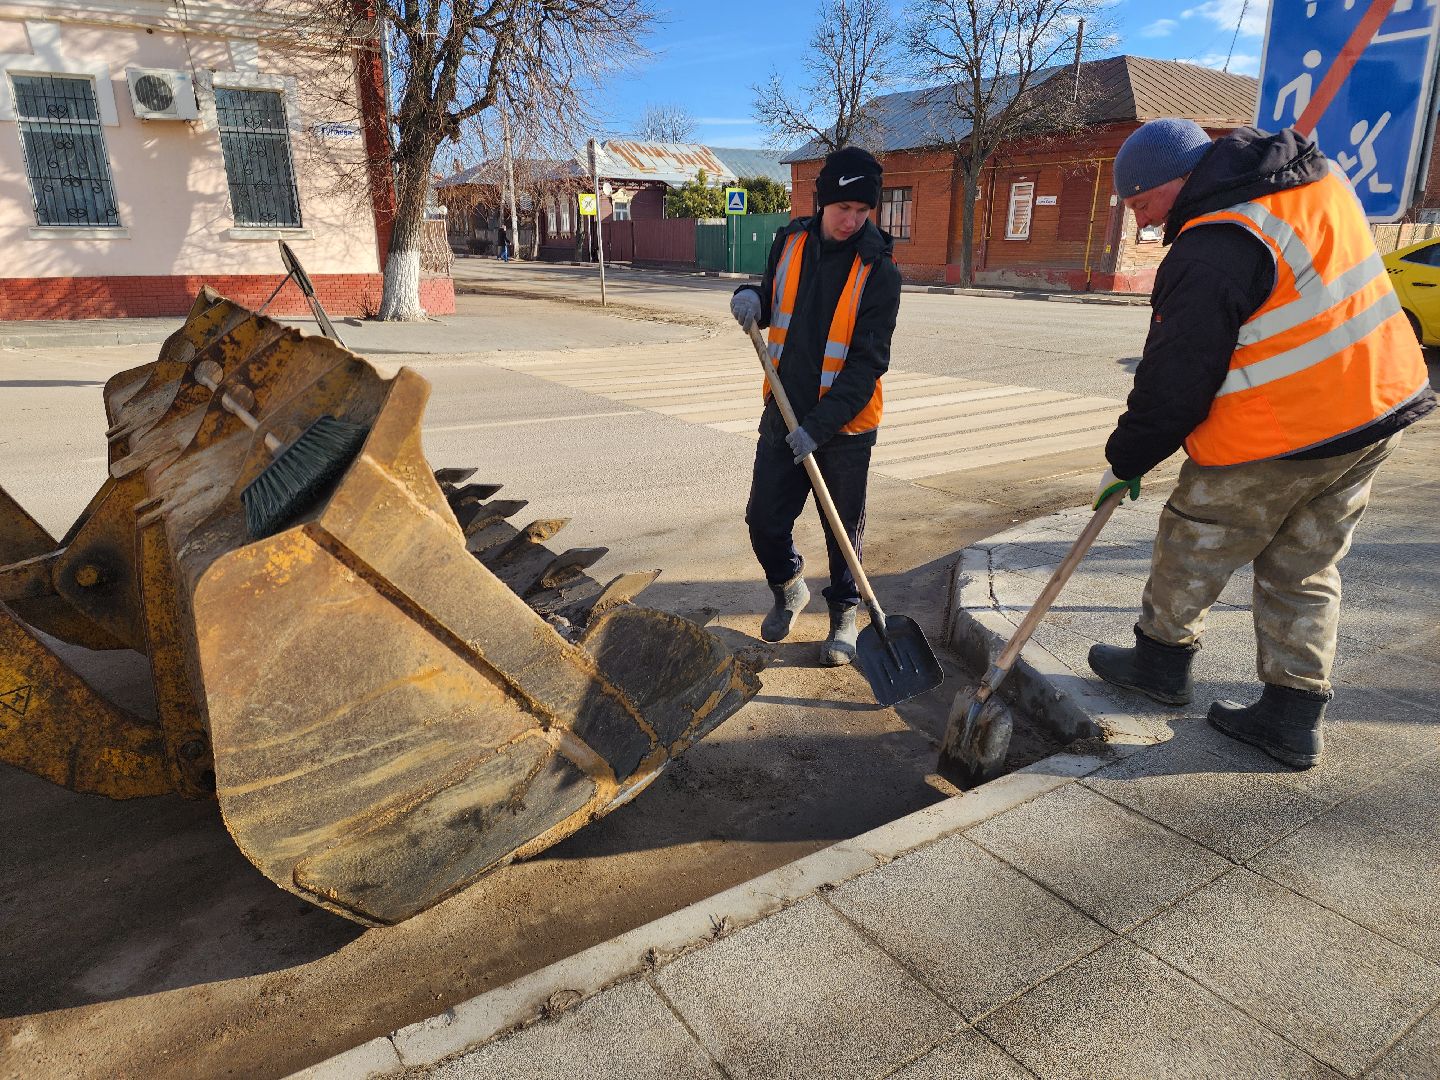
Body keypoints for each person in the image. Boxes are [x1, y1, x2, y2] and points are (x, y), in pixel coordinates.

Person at [1088, 118, 1435, 769]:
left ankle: (1159, 666)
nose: (1144, 225)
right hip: (1376, 409)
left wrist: (1127, 459)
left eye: (1141, 206)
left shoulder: (1215, 242)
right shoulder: (1314, 179)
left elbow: (1175, 379)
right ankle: (1291, 715)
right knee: (1306, 564)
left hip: (1283, 429)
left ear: (1173, 182)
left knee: (1193, 536)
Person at [729, 146, 901, 666]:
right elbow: (770, 293)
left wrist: (819, 427)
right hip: (782, 409)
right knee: (763, 519)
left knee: (842, 530)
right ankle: (788, 587)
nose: (851, 221)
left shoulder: (879, 271)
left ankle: (845, 616)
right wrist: (750, 296)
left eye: (862, 211)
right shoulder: (789, 241)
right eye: (842, 208)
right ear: (822, 201)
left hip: (845, 428)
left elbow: (868, 364)